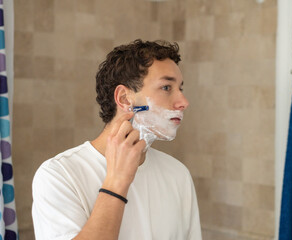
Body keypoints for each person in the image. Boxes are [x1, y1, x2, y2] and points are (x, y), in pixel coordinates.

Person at [32, 39, 202, 240]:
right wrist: (116, 182)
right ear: (124, 99)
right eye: (166, 87)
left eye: (180, 88)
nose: (183, 102)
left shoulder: (178, 174)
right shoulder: (59, 175)